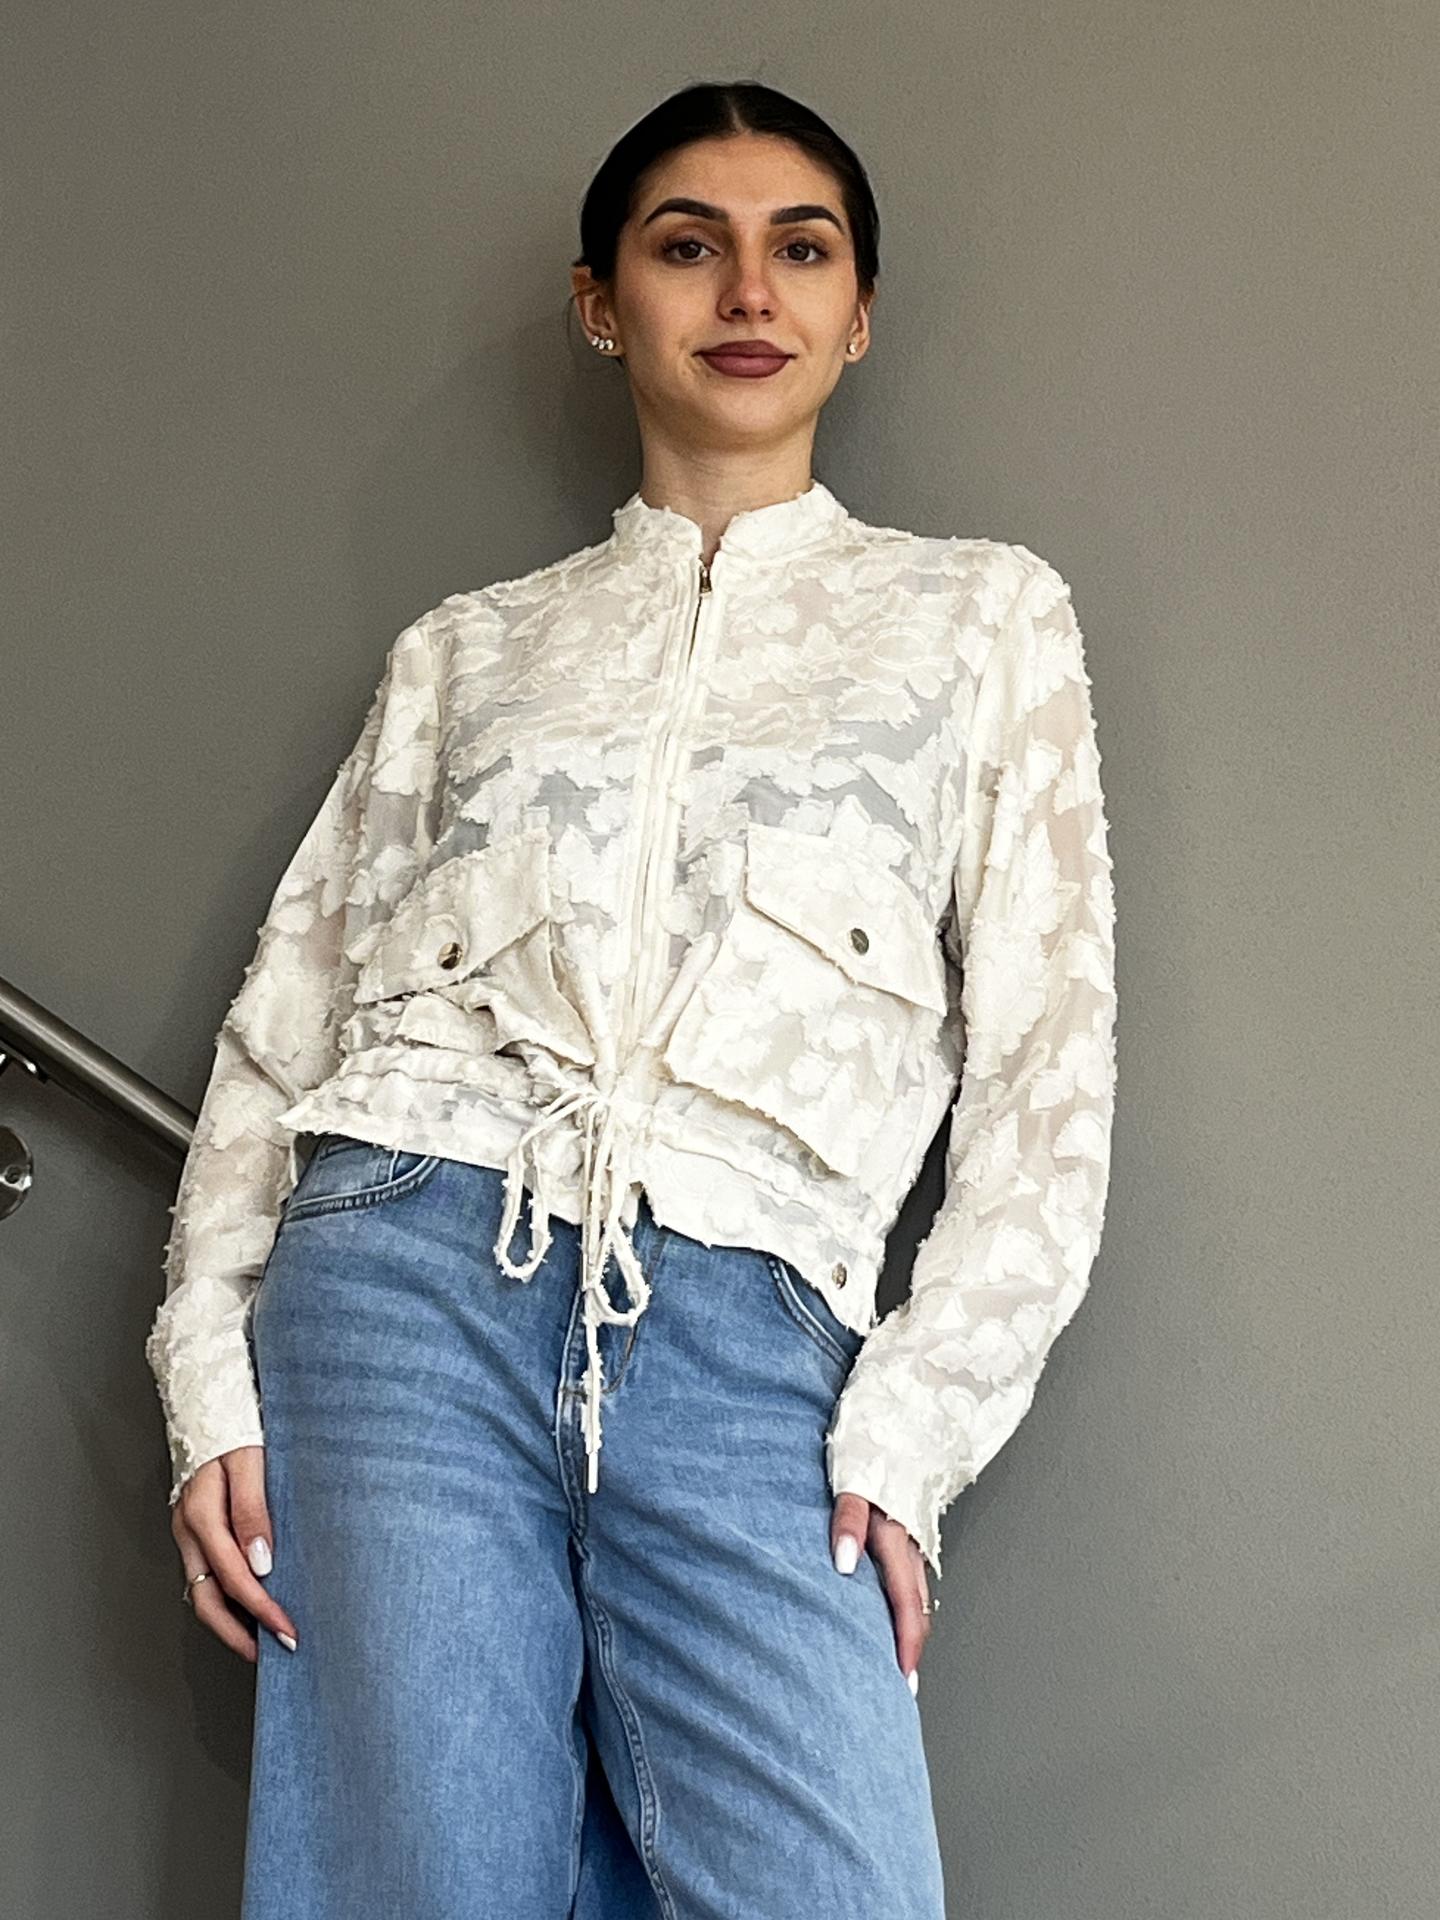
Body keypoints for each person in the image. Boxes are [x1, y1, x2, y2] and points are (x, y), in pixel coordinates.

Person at [147, 79, 1117, 1919]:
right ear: (604, 304)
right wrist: (207, 1372)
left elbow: (1047, 1085)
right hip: (404, 1286)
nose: (748, 290)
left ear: (857, 312)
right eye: (690, 246)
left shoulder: (983, 619)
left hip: (758, 1338)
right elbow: (286, 1032)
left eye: (801, 249)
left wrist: (912, 1429)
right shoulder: (467, 649)